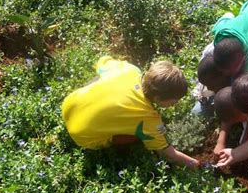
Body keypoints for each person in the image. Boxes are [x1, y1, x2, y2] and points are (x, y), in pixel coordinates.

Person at [62, 56, 200, 167]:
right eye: (174, 101)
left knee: (101, 79)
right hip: (82, 136)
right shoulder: (149, 119)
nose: (175, 104)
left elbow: (103, 60)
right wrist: (196, 164)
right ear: (158, 98)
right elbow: (167, 154)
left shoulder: (129, 70)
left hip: (68, 105)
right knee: (138, 134)